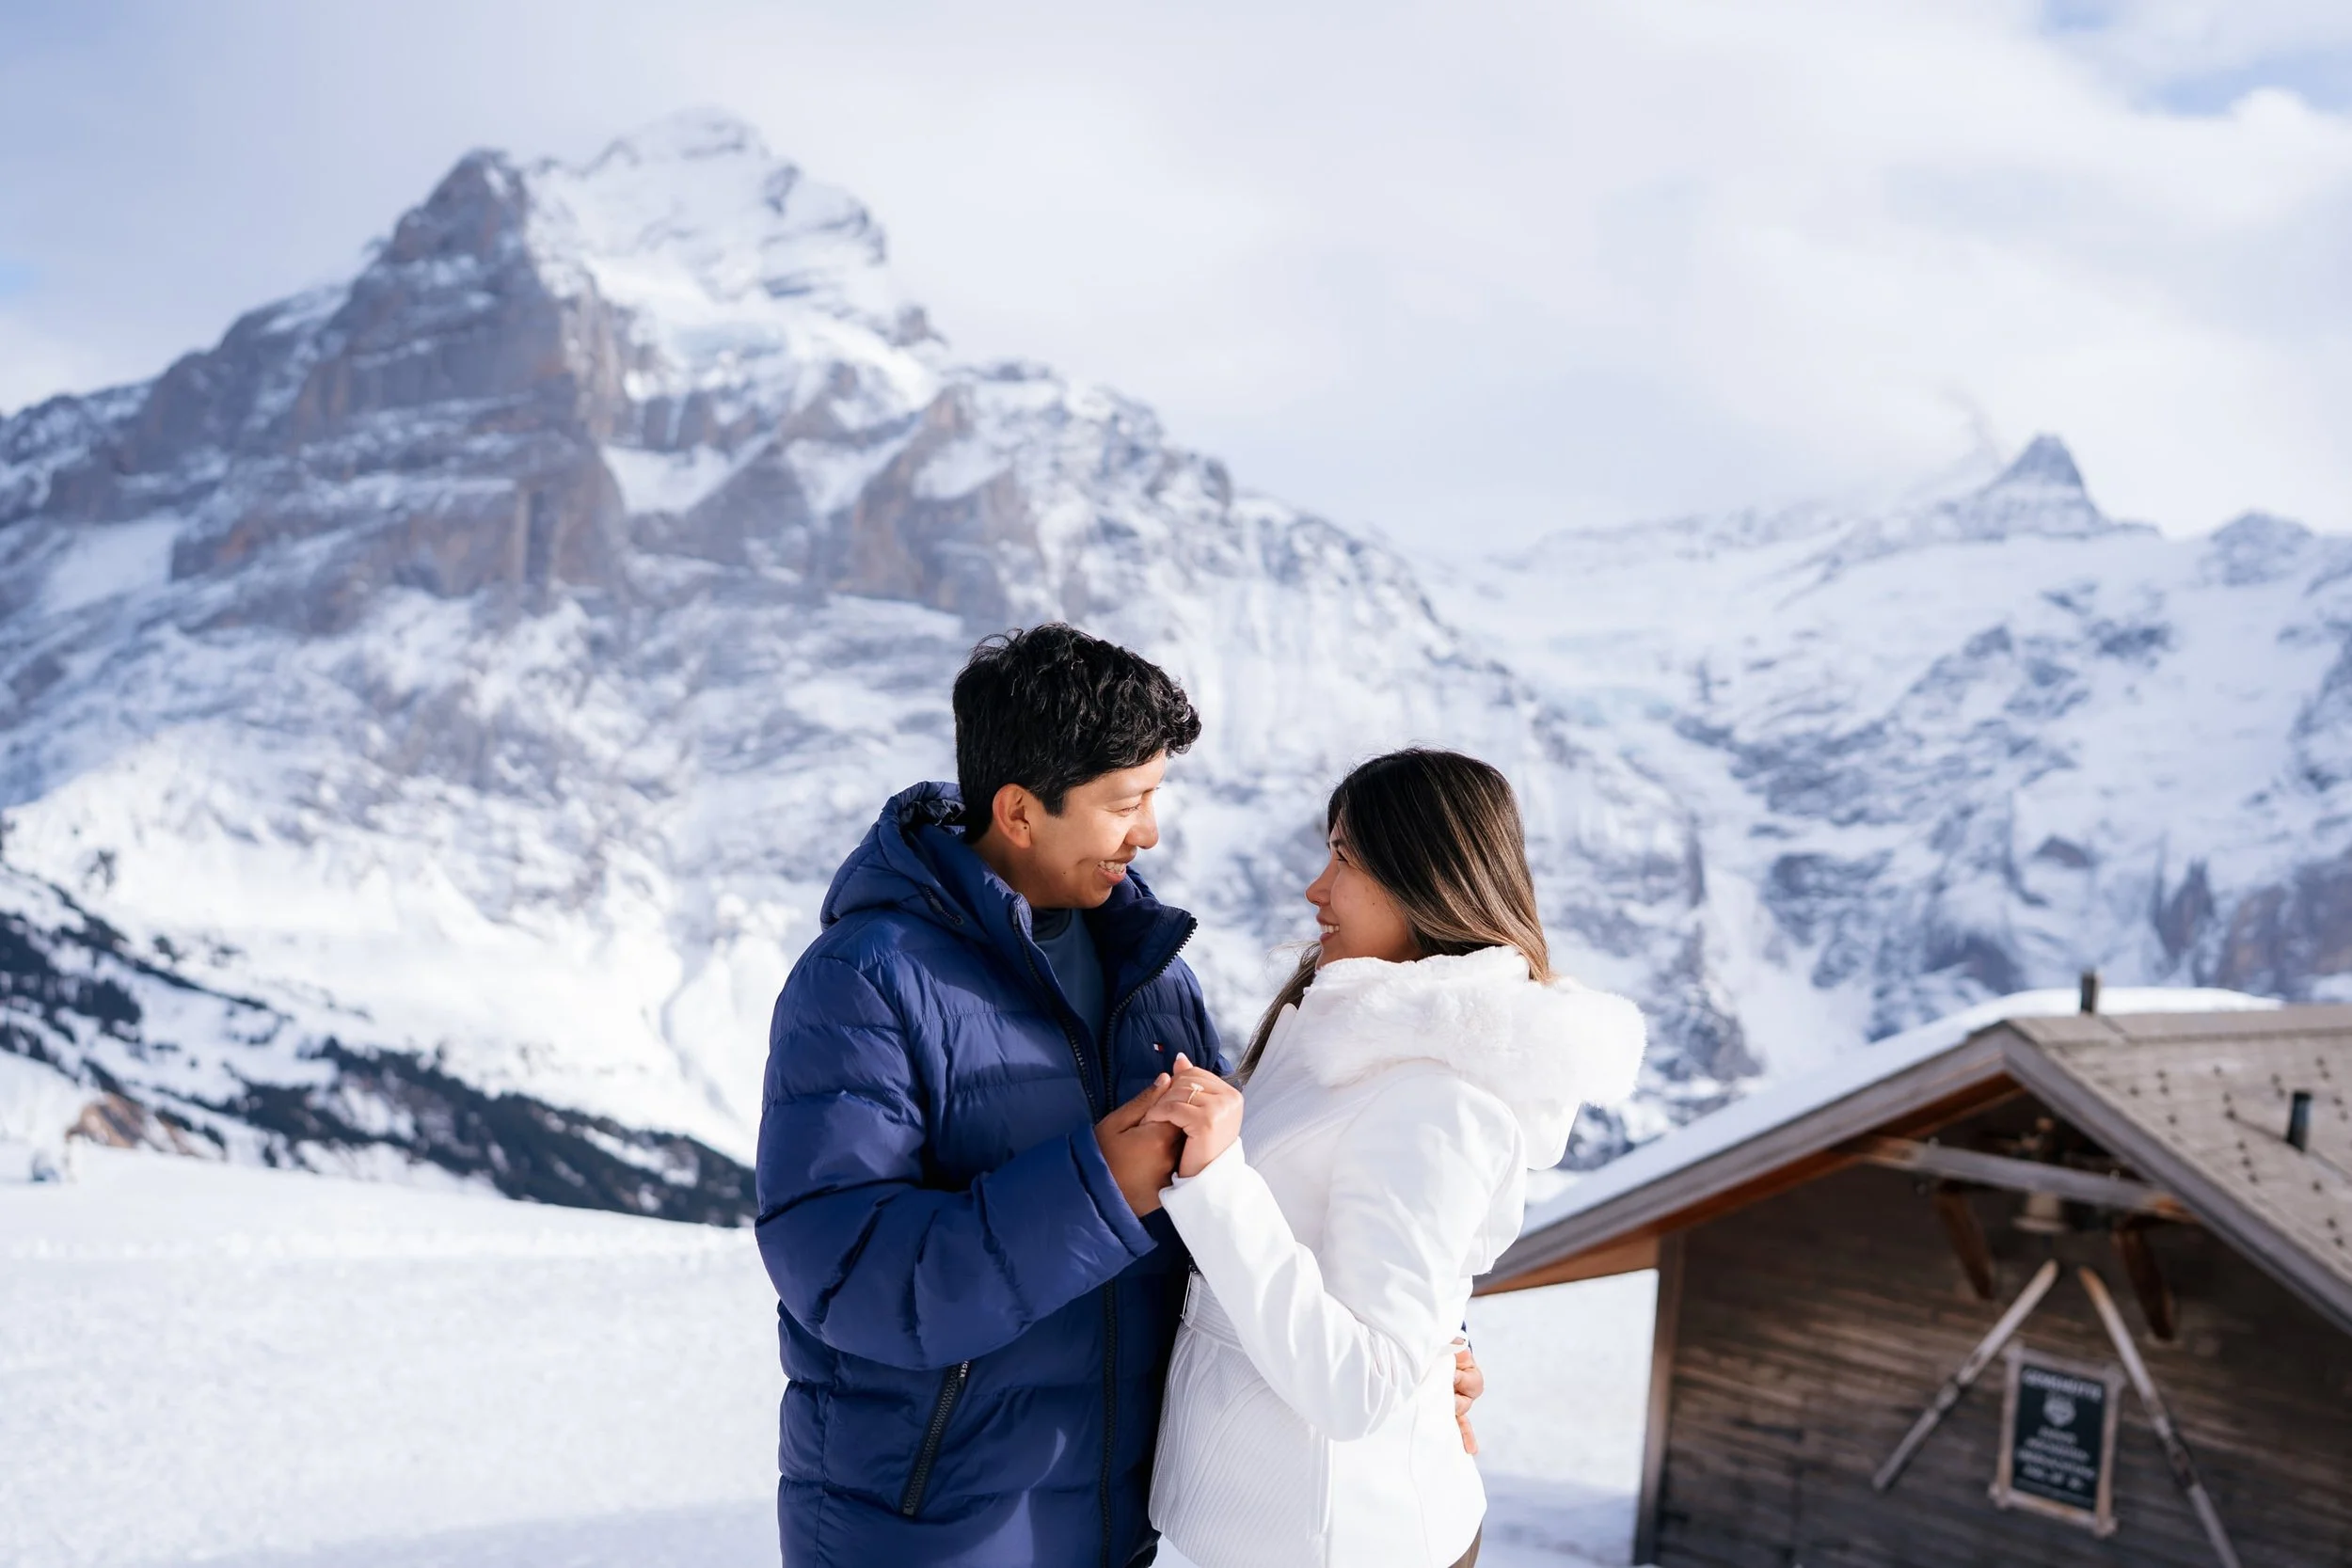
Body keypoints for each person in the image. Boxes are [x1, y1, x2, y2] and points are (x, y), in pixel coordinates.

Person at [755, 624, 1216, 1567]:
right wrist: (1097, 1188)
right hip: (925, 1533)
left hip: (1112, 1527)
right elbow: (846, 1273)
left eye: (1154, 796)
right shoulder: (863, 979)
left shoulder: (1156, 979)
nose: (1150, 831)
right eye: (1125, 801)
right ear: (1017, 810)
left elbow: (1240, 1215)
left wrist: (1414, 1352)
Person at [1141, 749, 1646, 1568]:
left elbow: (1359, 1384)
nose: (1316, 888)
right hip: (1272, 1528)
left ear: (1425, 877)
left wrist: (1216, 1178)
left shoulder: (1436, 1097)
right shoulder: (1341, 1032)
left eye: (1344, 857)